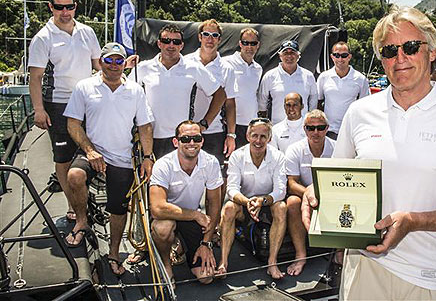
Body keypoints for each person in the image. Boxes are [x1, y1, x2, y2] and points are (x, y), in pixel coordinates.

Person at [301, 5, 436, 300]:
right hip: (362, 267)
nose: (400, 58)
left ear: (432, 51)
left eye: (410, 47)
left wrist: (415, 221)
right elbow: (337, 181)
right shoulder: (359, 112)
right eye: (389, 51)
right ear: (381, 60)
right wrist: (315, 192)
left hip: (429, 277)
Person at [64, 42, 154, 276]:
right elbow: (73, 124)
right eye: (109, 60)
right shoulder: (84, 86)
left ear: (125, 64)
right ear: (101, 61)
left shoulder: (135, 90)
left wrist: (147, 157)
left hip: (122, 157)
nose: (114, 65)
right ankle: (82, 221)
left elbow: (144, 126)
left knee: (118, 207)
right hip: (91, 150)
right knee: (74, 175)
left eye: (119, 61)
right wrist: (90, 151)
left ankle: (114, 252)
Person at [28, 0, 101, 222]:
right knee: (63, 157)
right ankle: (74, 205)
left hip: (87, 100)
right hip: (58, 103)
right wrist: (39, 109)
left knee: (89, 149)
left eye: (69, 6)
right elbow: (36, 77)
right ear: (51, 7)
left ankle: (83, 194)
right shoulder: (43, 38)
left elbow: (98, 65)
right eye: (59, 7)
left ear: (75, 6)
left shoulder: (87, 32)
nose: (65, 11)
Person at [135, 24, 225, 159]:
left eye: (176, 42)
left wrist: (204, 124)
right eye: (166, 41)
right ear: (159, 43)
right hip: (150, 139)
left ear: (181, 46)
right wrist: (124, 65)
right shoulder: (143, 68)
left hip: (182, 140)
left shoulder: (194, 68)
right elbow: (125, 89)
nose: (171, 45)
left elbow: (220, 94)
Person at [150, 120, 223, 284]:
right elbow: (157, 208)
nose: (192, 143)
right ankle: (166, 265)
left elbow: (214, 204)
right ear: (176, 142)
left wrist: (206, 243)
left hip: (191, 218)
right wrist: (195, 215)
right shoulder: (163, 165)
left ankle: (180, 245)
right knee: (163, 228)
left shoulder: (210, 162)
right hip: (168, 216)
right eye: (185, 139)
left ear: (202, 141)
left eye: (196, 138)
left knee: (206, 277)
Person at [219, 118, 287, 279]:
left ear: (269, 139)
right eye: (254, 136)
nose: (258, 140)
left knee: (281, 207)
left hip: (267, 204)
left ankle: (272, 263)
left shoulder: (278, 157)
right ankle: (223, 262)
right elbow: (232, 189)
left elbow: (281, 190)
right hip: (245, 204)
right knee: (228, 208)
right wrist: (248, 202)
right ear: (248, 136)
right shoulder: (237, 156)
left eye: (263, 136)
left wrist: (262, 201)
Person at [285, 110, 335, 276]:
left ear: (327, 128)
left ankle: (340, 250)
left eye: (320, 127)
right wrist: (309, 193)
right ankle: (301, 255)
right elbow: (291, 183)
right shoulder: (294, 149)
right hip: (303, 194)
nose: (316, 132)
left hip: (331, 193)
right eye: (310, 128)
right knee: (292, 202)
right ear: (304, 129)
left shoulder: (337, 149)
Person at [184, 19, 236, 165]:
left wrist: (231, 135)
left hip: (214, 132)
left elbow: (230, 103)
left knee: (213, 179)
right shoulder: (184, 62)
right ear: (199, 37)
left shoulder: (227, 68)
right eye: (206, 34)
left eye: (214, 35)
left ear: (219, 39)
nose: (210, 39)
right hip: (186, 132)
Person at [316, 42, 370, 140]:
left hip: (351, 130)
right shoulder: (323, 77)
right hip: (328, 131)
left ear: (349, 57)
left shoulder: (361, 79)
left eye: (344, 55)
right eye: (337, 55)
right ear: (332, 57)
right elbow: (318, 102)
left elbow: (364, 106)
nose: (340, 59)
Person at [222, 28, 263, 148]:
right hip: (230, 126)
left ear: (258, 45)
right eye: (246, 43)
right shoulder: (226, 63)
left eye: (253, 43)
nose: (249, 46)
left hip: (251, 125)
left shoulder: (258, 69)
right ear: (240, 44)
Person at [258, 40, 317, 123]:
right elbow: (262, 103)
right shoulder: (270, 76)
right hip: (277, 128)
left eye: (292, 52)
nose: (289, 56)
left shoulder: (308, 76)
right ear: (280, 56)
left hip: (303, 128)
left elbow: (313, 102)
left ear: (298, 55)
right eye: (285, 53)